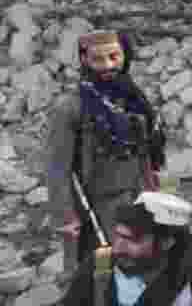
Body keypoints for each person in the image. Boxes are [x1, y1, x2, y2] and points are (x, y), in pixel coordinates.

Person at [46, 32, 166, 276]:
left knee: (142, 266)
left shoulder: (134, 99)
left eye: (114, 56)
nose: (108, 65)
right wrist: (66, 217)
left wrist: (155, 189)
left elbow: (145, 150)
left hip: (137, 196)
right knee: (100, 271)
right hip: (96, 208)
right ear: (84, 60)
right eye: (98, 59)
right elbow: (57, 168)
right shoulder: (70, 108)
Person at [60, 191, 192, 305]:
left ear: (166, 243)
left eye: (132, 240)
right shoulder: (101, 265)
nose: (118, 248)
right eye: (118, 236)